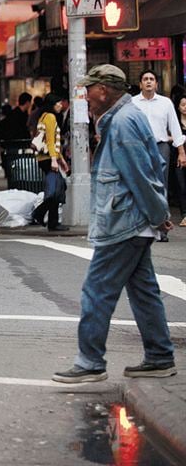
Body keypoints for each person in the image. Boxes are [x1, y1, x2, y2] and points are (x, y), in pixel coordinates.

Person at [53, 64, 176, 383]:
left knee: (97, 291)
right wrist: (157, 216)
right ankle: (160, 356)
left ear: (104, 91)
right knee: (144, 291)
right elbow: (149, 169)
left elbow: (141, 175)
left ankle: (90, 361)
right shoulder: (123, 118)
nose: (86, 97)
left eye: (89, 90)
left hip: (124, 223)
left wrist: (159, 215)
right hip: (130, 220)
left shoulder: (122, 122)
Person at [131, 70, 186, 203]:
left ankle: (162, 216)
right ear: (140, 84)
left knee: (161, 181)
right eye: (145, 79)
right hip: (139, 147)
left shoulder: (165, 103)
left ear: (156, 84)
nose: (148, 81)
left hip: (161, 147)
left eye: (151, 79)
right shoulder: (132, 103)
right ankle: (143, 216)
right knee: (140, 180)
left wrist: (181, 151)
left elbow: (175, 127)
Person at [31, 94, 70, 232]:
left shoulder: (43, 116)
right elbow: (50, 141)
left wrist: (61, 160)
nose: (60, 105)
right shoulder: (50, 117)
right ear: (52, 104)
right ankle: (39, 213)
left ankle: (52, 222)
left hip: (45, 158)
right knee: (56, 190)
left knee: (58, 188)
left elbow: (52, 141)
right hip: (48, 159)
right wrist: (55, 160)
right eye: (58, 103)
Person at [174, 92, 186, 227]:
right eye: (183, 105)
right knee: (181, 186)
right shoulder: (175, 123)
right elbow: (166, 136)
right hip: (178, 157)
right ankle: (184, 215)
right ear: (178, 107)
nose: (185, 107)